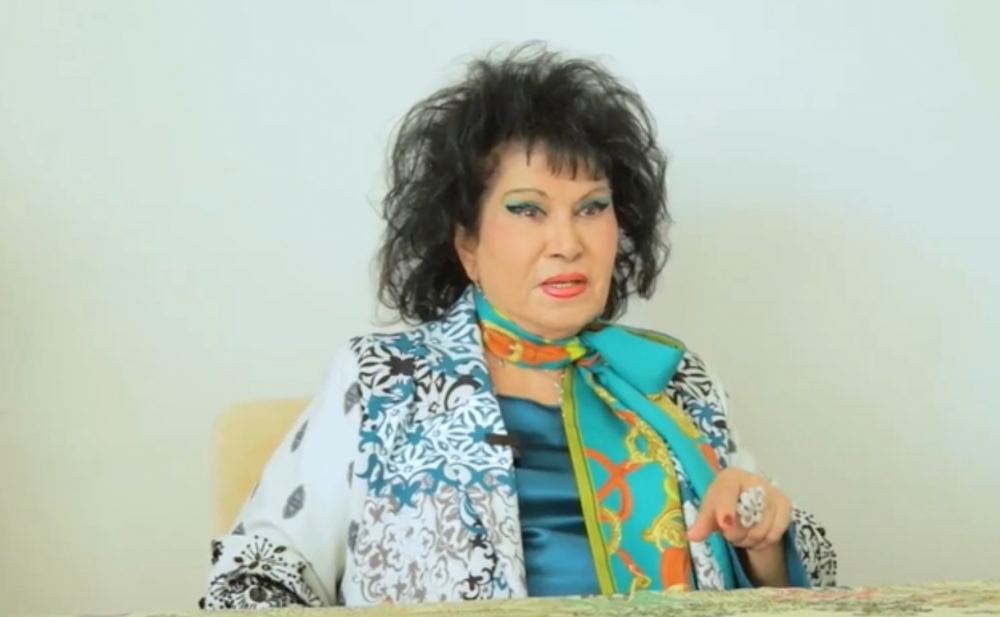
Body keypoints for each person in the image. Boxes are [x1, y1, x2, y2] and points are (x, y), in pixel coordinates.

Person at [200, 44, 837, 609]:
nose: (567, 242)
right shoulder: (379, 382)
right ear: (467, 242)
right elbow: (254, 580)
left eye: (592, 208)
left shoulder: (675, 379)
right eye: (528, 210)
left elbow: (794, 589)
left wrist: (761, 543)